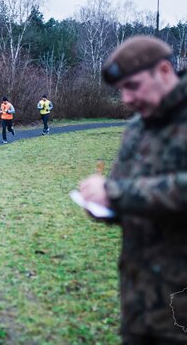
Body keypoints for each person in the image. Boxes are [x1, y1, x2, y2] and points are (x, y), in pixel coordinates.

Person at [79, 35, 187, 344]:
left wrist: (117, 194)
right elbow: (125, 196)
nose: (125, 98)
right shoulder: (136, 129)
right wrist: (101, 205)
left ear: (164, 71)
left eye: (133, 86)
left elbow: (126, 191)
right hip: (138, 305)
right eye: (120, 89)